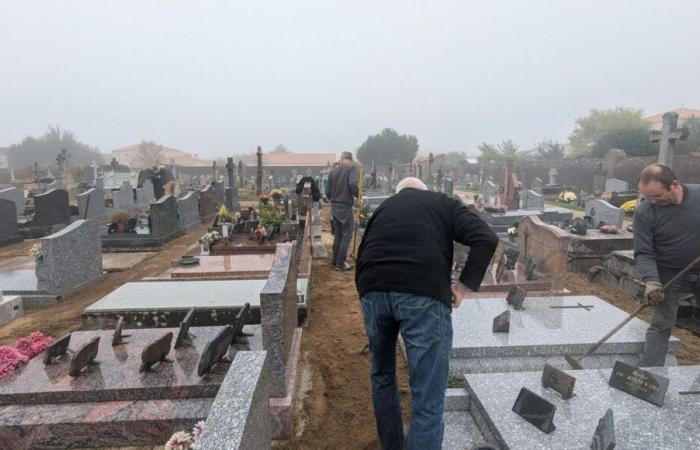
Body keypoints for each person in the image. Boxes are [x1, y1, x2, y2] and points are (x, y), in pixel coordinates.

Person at [355, 177, 498, 450]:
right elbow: (486, 238)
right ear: (424, 191)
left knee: (382, 376)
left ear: (399, 193)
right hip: (422, 291)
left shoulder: (383, 209)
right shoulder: (440, 202)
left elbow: (364, 253)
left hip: (372, 289)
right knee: (427, 394)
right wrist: (462, 287)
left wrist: (370, 297)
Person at [634, 164, 700, 366]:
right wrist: (652, 282)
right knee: (661, 325)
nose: (652, 201)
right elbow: (644, 252)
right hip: (669, 274)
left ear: (675, 185)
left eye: (657, 196)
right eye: (647, 197)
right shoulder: (645, 212)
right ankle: (650, 374)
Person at [326, 151, 359, 271]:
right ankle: (340, 263)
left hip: (334, 207)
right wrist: (358, 196)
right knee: (346, 235)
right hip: (345, 207)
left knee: (338, 234)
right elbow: (353, 184)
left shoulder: (333, 172)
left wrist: (334, 198)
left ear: (341, 159)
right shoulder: (352, 168)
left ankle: (335, 261)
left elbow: (327, 192)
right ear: (351, 159)